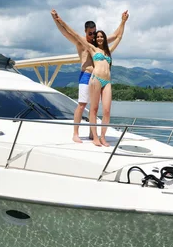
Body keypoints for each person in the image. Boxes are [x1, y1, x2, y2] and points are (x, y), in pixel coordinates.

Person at [51, 9, 128, 146]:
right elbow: (66, 33)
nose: (93, 35)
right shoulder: (81, 42)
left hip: (98, 77)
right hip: (86, 75)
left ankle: (93, 134)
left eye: (94, 32)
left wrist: (122, 20)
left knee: (96, 107)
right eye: (90, 33)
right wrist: (57, 20)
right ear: (86, 32)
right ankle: (75, 133)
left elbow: (117, 35)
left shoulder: (98, 42)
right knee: (82, 105)